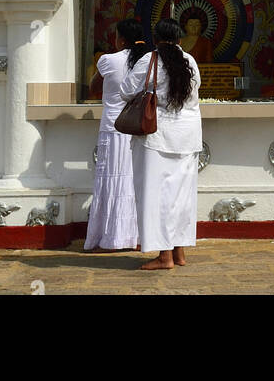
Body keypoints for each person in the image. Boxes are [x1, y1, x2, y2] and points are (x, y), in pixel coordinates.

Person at [120, 17, 202, 270]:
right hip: (188, 135)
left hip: (157, 135)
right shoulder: (190, 61)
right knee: (182, 196)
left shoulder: (150, 60)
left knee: (157, 196)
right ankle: (179, 253)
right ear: (179, 39)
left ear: (155, 38)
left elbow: (125, 90)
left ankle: (164, 256)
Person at [84, 18, 145, 252]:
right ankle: (135, 236)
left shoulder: (108, 60)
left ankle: (110, 236)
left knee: (111, 181)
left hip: (113, 127)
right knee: (135, 180)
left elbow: (93, 87)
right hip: (139, 127)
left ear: (120, 39)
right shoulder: (148, 60)